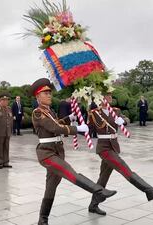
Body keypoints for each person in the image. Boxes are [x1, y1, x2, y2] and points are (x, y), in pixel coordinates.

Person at [30, 78, 116, 225]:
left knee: (50, 188)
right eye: (45, 93)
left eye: (50, 92)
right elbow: (54, 128)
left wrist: (69, 118)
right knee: (69, 172)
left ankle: (42, 219)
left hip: (57, 151)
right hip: (47, 153)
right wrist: (77, 129)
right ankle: (98, 191)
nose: (49, 95)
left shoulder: (49, 111)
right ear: (38, 97)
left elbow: (57, 123)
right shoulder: (38, 113)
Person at [87, 92, 153, 215]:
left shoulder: (116, 111)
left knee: (103, 177)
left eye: (111, 96)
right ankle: (148, 190)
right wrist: (76, 126)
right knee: (125, 169)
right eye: (107, 96)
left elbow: (127, 119)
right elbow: (87, 129)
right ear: (100, 98)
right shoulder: (94, 113)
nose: (110, 98)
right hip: (104, 148)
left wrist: (122, 121)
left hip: (113, 147)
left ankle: (93, 205)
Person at [0, 93, 13, 169]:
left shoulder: (9, 109)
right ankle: (0, 163)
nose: (5, 102)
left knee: (6, 147)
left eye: (6, 100)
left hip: (7, 132)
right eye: (3, 100)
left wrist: (11, 130)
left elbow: (11, 121)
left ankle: (6, 162)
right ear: (0, 101)